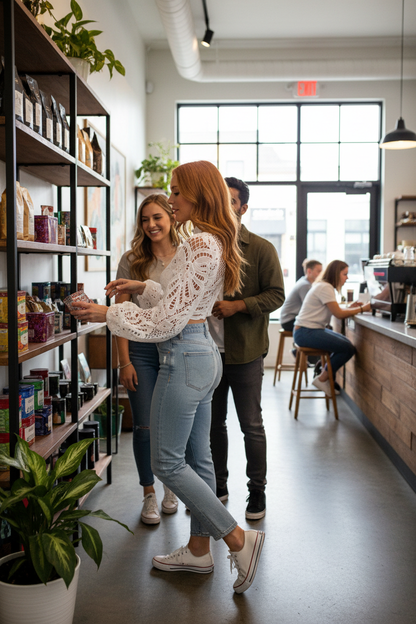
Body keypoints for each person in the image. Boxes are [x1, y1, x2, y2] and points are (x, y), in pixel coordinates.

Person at [70, 161, 265, 595]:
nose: (170, 200)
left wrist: (108, 313)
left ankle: (238, 539)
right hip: (202, 352)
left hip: (184, 356)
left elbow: (164, 324)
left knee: (166, 463)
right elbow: (180, 301)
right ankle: (198, 551)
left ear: (197, 194)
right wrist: (140, 289)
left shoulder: (200, 245)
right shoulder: (208, 242)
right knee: (199, 461)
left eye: (176, 192)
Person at [209, 177, 284, 521]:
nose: (226, 206)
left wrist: (238, 306)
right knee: (213, 424)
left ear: (243, 207)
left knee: (251, 424)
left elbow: (276, 296)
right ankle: (217, 486)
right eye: (221, 199)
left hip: (246, 353)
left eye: (232, 200)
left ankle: (257, 491)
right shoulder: (202, 246)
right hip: (207, 353)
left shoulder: (261, 248)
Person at [115, 193, 179, 525]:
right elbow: (119, 314)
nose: (151, 224)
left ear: (171, 217)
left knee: (170, 425)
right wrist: (123, 361)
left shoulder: (186, 256)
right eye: (144, 219)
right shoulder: (132, 259)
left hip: (175, 347)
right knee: (143, 425)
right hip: (140, 350)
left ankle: (171, 485)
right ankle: (148, 494)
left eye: (157, 217)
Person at [293, 260, 371, 396]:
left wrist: (350, 308)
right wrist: (362, 308)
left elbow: (334, 309)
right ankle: (323, 378)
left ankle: (323, 375)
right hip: (306, 332)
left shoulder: (323, 286)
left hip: (307, 330)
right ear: (336, 274)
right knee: (347, 348)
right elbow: (338, 314)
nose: (347, 278)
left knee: (347, 345)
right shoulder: (326, 287)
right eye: (345, 274)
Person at [279, 259, 322, 332]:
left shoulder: (305, 282)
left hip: (289, 319)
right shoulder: (305, 286)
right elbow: (309, 307)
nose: (321, 274)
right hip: (289, 321)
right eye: (319, 271)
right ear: (309, 271)